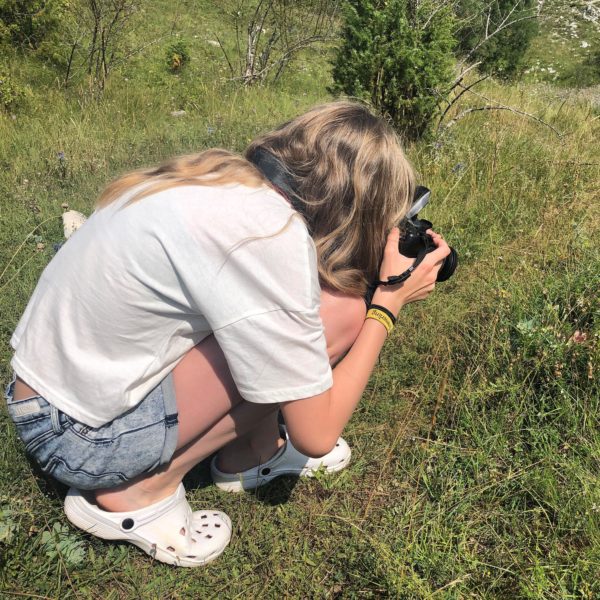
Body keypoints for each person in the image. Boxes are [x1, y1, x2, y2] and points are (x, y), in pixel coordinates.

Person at [5, 101, 450, 567]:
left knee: (304, 318)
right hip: (81, 438)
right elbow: (317, 435)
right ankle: (137, 491)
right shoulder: (269, 236)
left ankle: (253, 452)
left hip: (41, 399)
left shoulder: (221, 179)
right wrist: (387, 304)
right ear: (354, 206)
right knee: (340, 316)